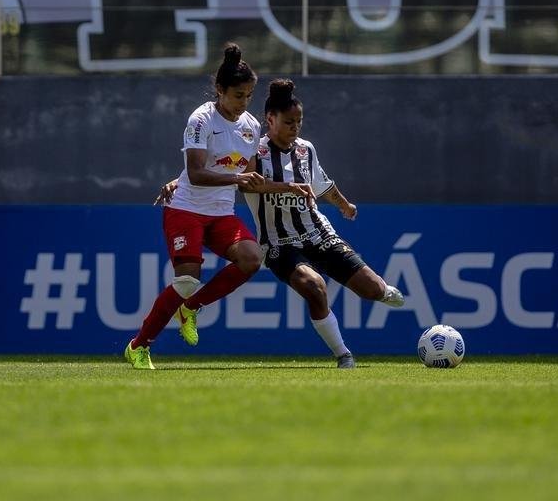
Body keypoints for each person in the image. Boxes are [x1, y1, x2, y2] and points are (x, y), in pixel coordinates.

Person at [156, 78, 405, 368]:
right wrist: (177, 181)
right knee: (314, 287)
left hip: (318, 233)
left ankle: (382, 291)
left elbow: (323, 185)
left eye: (299, 121)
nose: (295, 127)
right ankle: (344, 355)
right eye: (289, 122)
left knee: (373, 290)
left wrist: (344, 205)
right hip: (278, 244)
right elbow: (220, 168)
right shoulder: (253, 150)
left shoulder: (306, 150)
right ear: (270, 120)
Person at [123, 43, 314, 370]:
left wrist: (288, 186)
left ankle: (191, 308)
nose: (244, 102)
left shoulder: (251, 127)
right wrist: (226, 180)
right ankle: (139, 346)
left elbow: (251, 178)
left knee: (253, 258)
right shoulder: (201, 119)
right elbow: (196, 174)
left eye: (249, 95)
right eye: (238, 95)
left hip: (220, 215)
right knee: (186, 280)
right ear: (220, 90)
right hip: (186, 210)